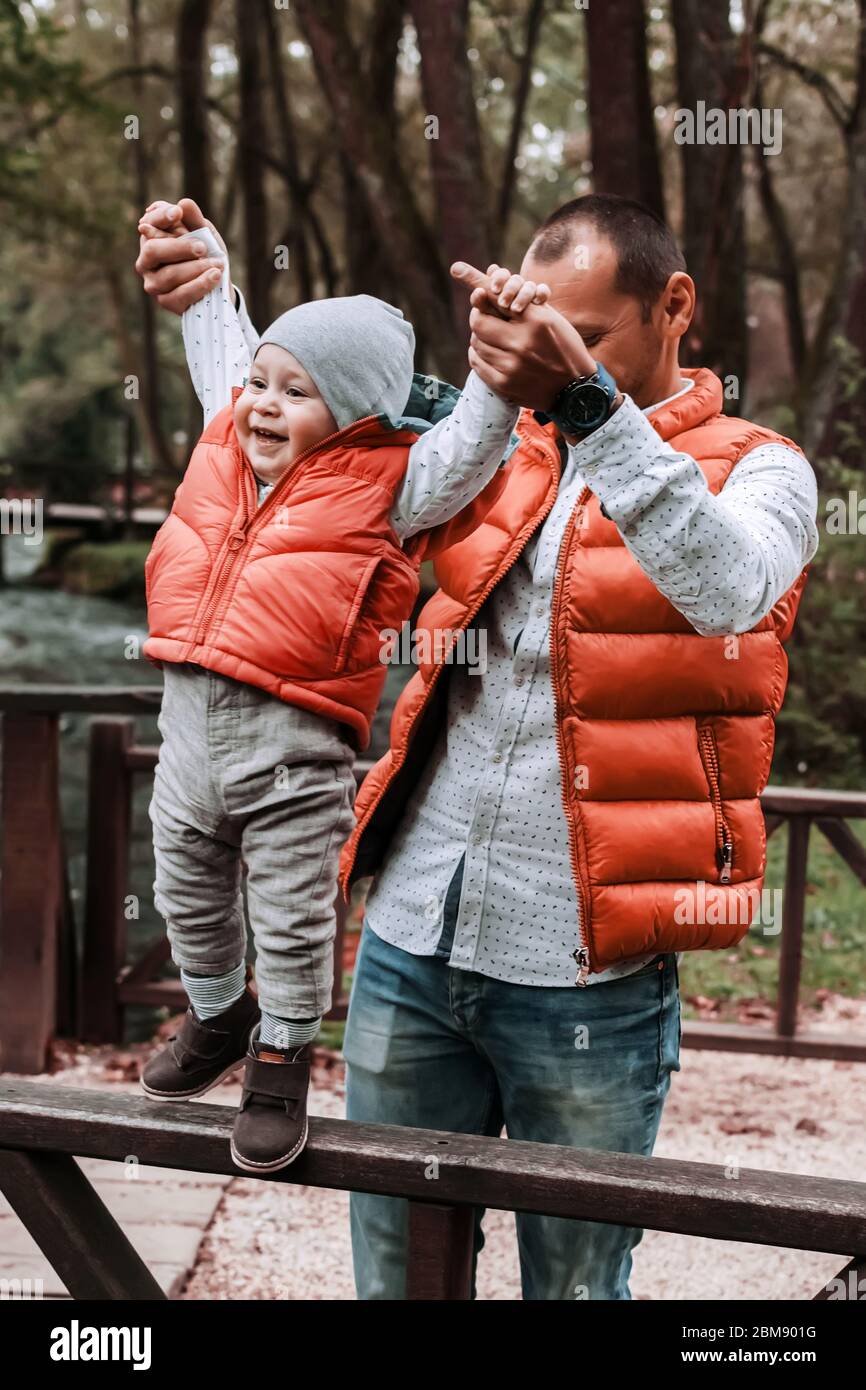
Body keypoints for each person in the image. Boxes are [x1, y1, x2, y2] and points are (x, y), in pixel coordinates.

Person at [135, 193, 819, 1296]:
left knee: (574, 1288)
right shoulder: (490, 446)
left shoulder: (763, 471)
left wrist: (591, 404)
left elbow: (725, 591)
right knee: (395, 1281)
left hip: (585, 974)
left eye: (584, 339)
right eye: (541, 336)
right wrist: (214, 289)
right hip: (409, 945)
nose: (557, 362)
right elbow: (294, 429)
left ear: (673, 306)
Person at [137, 205, 546, 1176]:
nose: (263, 405)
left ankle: (280, 1055)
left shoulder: (391, 485)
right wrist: (206, 257)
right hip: (190, 736)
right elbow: (216, 341)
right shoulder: (223, 440)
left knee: (288, 914)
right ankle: (215, 1013)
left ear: (357, 416)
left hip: (294, 757)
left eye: (297, 392)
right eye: (261, 384)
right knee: (181, 891)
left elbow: (474, 450)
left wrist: (500, 367)